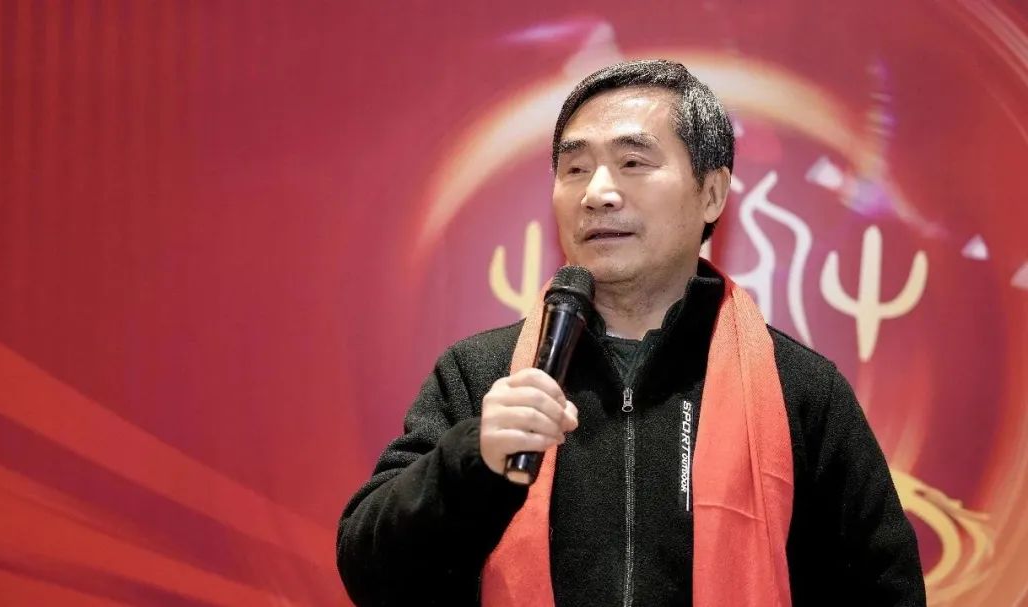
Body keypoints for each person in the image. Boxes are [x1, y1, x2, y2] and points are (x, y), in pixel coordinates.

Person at [336, 59, 925, 606]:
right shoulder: (482, 375)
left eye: (633, 163)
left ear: (712, 193)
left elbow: (885, 591)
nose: (597, 193)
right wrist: (472, 460)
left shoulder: (800, 389)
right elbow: (371, 572)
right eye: (575, 169)